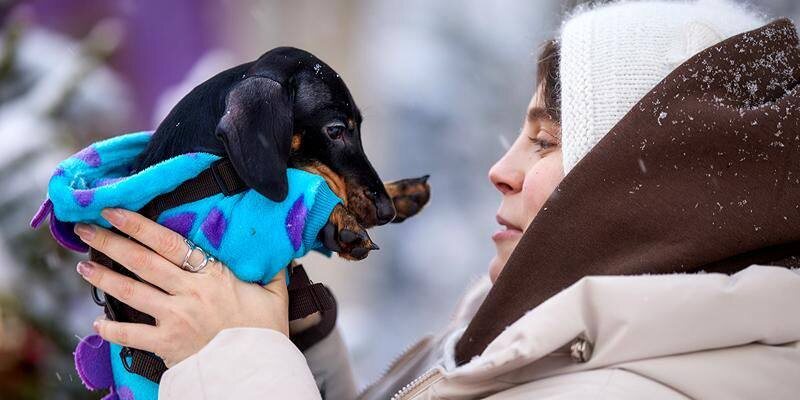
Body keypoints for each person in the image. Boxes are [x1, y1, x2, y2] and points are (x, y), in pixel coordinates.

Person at [72, 0, 800, 398]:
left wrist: (237, 358)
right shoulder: (540, 339)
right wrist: (299, 347)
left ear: (645, 186)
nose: (501, 169)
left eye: (544, 142)